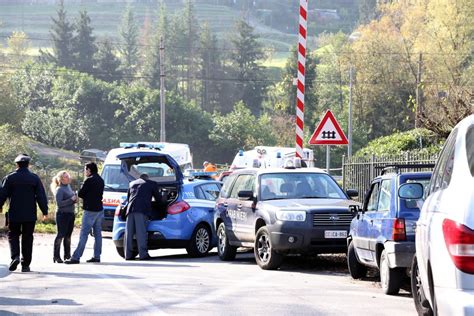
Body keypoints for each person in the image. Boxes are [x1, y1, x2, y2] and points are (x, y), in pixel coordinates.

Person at [0, 154, 48, 272]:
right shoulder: (34, 178)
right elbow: (41, 196)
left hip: (14, 214)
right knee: (28, 237)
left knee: (13, 235)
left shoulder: (9, 178)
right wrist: (45, 211)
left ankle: (15, 257)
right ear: (28, 165)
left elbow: (2, 194)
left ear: (17, 164)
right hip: (29, 215)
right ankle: (25, 264)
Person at [65, 162, 104, 264]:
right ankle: (97, 256)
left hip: (90, 210)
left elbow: (81, 194)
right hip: (99, 209)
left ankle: (76, 257)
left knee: (84, 234)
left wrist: (80, 190)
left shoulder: (89, 180)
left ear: (89, 170)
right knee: (98, 234)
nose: (84, 172)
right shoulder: (101, 180)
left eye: (85, 169)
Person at [124, 173, 160, 260]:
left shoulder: (132, 183)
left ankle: (128, 255)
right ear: (147, 178)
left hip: (130, 210)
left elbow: (128, 198)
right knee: (141, 233)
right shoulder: (151, 183)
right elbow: (158, 199)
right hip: (141, 210)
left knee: (129, 234)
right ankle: (143, 255)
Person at [51, 171, 77, 263]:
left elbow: (71, 199)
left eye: (68, 176)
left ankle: (67, 255)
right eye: (66, 177)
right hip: (62, 215)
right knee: (60, 235)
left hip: (70, 214)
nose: (68, 178)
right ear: (61, 179)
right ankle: (56, 256)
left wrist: (74, 199)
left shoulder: (68, 187)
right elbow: (60, 204)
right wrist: (71, 200)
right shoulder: (59, 189)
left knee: (68, 236)